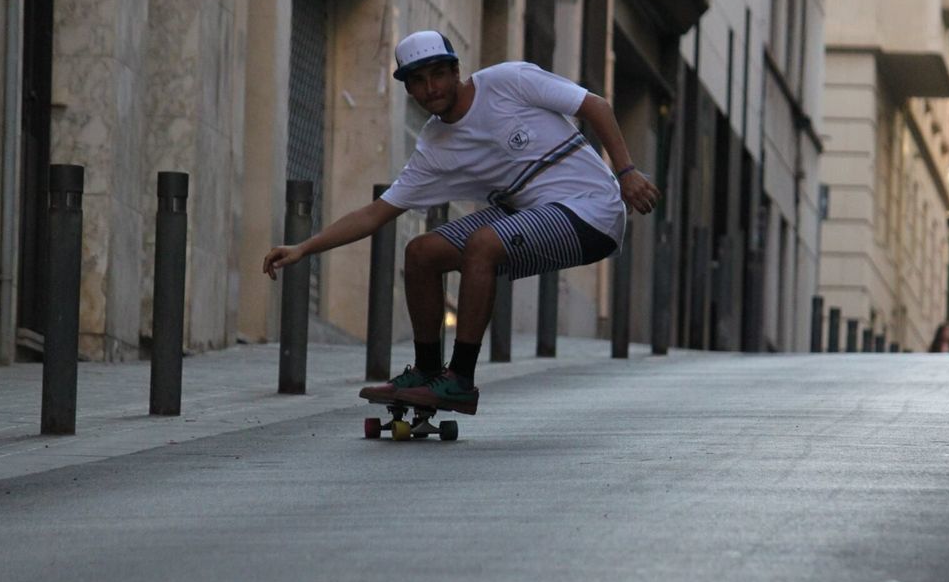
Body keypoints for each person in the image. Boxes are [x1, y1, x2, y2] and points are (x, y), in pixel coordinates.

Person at [262, 30, 659, 415]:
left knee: (483, 243)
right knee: (421, 252)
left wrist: (626, 173)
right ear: (409, 91)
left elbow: (596, 106)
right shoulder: (434, 146)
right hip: (526, 211)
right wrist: (304, 247)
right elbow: (374, 212)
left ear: (456, 71)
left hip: (592, 211)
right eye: (418, 81)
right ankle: (428, 371)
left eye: (437, 74)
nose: (431, 88)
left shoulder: (509, 81)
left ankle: (461, 380)